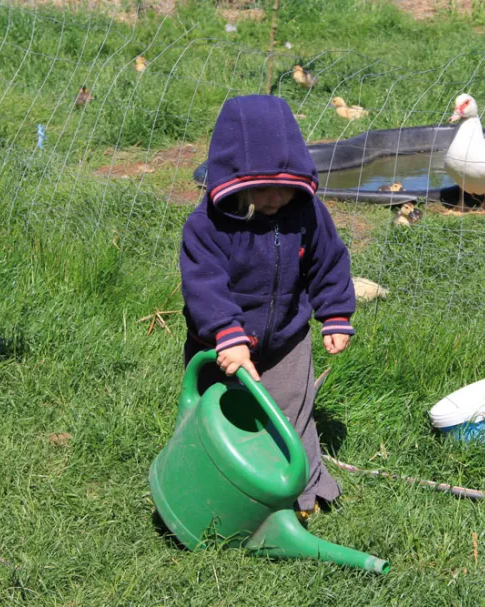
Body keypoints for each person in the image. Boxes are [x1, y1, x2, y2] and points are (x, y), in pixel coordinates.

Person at [180, 94, 355, 520]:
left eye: (287, 185)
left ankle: (302, 493)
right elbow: (204, 285)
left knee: (293, 415)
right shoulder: (208, 226)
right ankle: (211, 492)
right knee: (221, 417)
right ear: (235, 179)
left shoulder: (307, 213)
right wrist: (226, 334)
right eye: (264, 188)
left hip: (287, 337)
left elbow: (328, 261)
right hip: (223, 342)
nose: (278, 198)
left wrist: (334, 312)